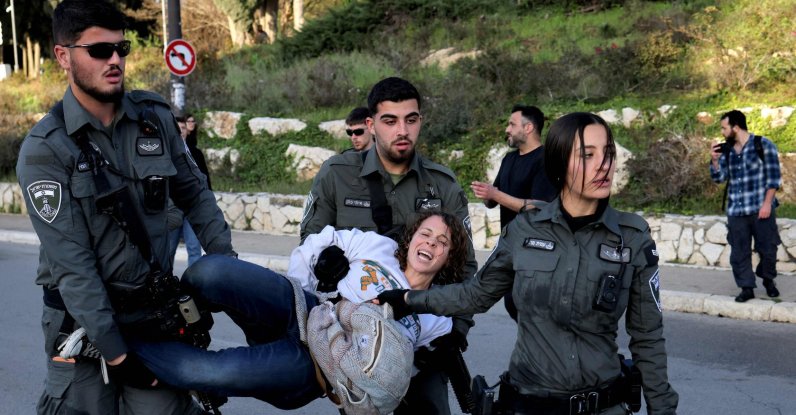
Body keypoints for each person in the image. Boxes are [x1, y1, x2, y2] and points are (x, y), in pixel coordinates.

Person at [379, 112, 680, 414]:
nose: (604, 165)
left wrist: (663, 410)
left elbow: (648, 338)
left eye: (609, 153)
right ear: (559, 164)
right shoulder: (525, 230)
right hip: (526, 404)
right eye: (588, 155)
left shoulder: (633, 237)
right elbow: (476, 294)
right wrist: (409, 299)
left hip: (603, 404)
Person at [15, 1, 235, 413]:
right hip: (81, 325)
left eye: (122, 48)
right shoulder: (46, 150)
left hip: (153, 315)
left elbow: (196, 193)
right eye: (100, 50)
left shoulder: (155, 118)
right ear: (63, 55)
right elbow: (72, 265)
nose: (115, 60)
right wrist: (116, 354)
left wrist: (227, 270)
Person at [129, 211, 470, 411]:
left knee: (206, 372)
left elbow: (394, 377)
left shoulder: (436, 316)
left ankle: (118, 345)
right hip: (301, 308)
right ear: (411, 238)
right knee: (211, 271)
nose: (431, 243)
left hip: (315, 368)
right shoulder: (379, 247)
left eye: (442, 243)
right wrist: (311, 278)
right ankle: (167, 318)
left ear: (448, 258)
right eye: (426, 233)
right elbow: (319, 241)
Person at [300, 76, 477, 414]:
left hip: (425, 339)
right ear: (370, 124)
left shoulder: (443, 185)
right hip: (359, 339)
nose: (403, 130)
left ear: (420, 121)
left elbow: (465, 267)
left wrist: (457, 331)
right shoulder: (337, 174)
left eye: (411, 120)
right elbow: (309, 241)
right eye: (390, 120)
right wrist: (325, 260)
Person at [470, 104, 556, 321]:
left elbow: (539, 206)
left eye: (512, 124)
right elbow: (496, 199)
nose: (507, 129)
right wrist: (488, 196)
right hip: (510, 246)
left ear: (528, 128)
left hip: (536, 248)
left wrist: (496, 194)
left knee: (525, 305)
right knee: (512, 302)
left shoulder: (545, 159)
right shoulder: (509, 159)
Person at [710, 109, 782, 303]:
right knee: (739, 252)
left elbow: (774, 179)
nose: (723, 132)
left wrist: (767, 204)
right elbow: (719, 178)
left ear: (736, 127)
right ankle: (746, 287)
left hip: (761, 209)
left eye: (724, 128)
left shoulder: (763, 145)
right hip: (736, 211)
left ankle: (768, 280)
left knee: (768, 250)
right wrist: (715, 161)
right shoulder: (726, 150)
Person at [168, 115, 203, 266]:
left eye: (182, 128)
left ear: (187, 131)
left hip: (192, 207)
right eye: (177, 128)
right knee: (168, 250)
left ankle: (193, 285)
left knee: (194, 249)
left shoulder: (196, 154)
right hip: (172, 207)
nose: (180, 131)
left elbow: (205, 180)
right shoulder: (164, 153)